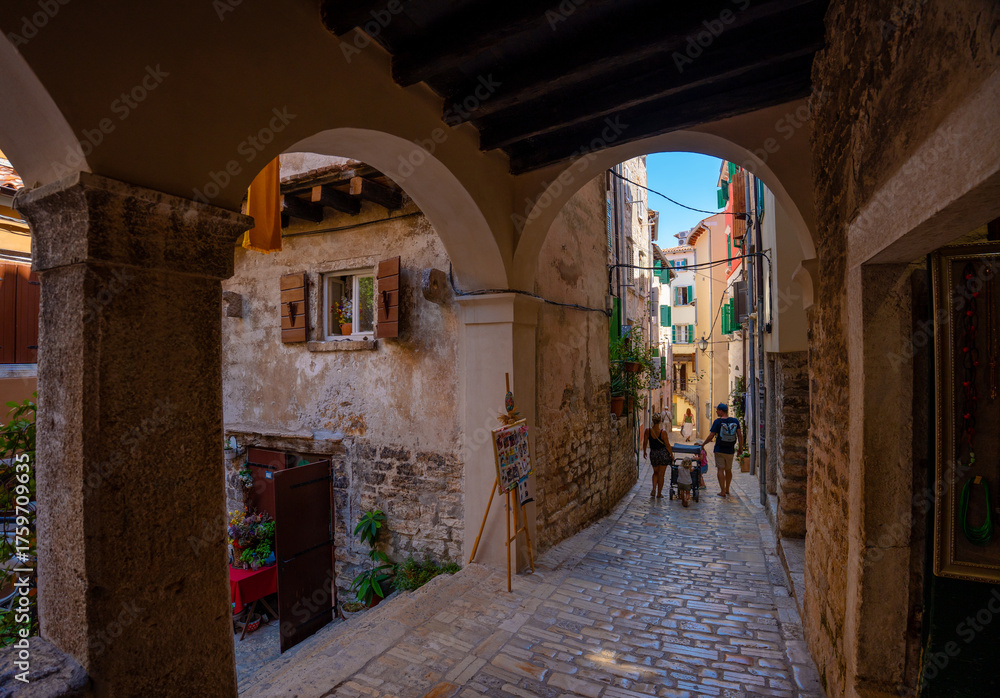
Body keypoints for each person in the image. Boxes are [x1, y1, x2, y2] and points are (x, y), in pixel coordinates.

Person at [701, 403, 744, 497]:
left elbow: (711, 436)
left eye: (717, 410)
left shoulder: (717, 422)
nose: (716, 411)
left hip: (719, 449)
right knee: (728, 470)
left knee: (720, 469)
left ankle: (722, 491)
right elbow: (740, 435)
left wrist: (703, 444)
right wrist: (740, 448)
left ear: (721, 411)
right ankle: (727, 489)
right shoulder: (735, 421)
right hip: (730, 450)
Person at [642, 412, 674, 498]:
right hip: (662, 454)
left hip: (653, 454)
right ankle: (659, 493)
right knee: (661, 474)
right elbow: (667, 445)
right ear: (660, 421)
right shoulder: (663, 432)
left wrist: (644, 451)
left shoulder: (648, 431)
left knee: (655, 472)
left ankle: (653, 488)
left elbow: (645, 442)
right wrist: (672, 455)